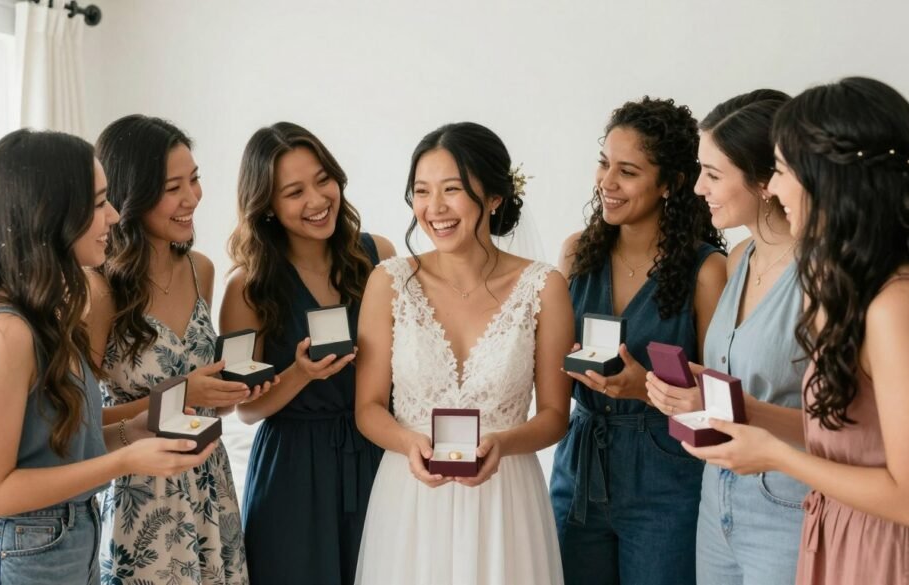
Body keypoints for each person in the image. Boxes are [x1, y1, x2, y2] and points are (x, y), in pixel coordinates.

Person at [685, 77, 909, 585]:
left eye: (784, 170)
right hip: (843, 534)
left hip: (890, 554)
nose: (776, 187)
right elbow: (849, 436)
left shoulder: (899, 305)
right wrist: (740, 412)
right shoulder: (865, 288)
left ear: (829, 179)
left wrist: (772, 457)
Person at [0, 129, 213, 585]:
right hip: (13, 559)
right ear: (52, 214)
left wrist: (134, 430)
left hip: (60, 549)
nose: (112, 216)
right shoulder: (4, 331)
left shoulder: (43, 317)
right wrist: (125, 461)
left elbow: (54, 451)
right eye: (100, 202)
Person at [354, 122, 573, 585]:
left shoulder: (544, 286)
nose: (435, 208)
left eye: (452, 189)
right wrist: (409, 444)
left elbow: (555, 415)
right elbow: (368, 408)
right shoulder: (388, 282)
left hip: (505, 498)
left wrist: (503, 444)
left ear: (494, 196)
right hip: (410, 496)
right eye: (422, 191)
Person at [549, 97, 727, 585]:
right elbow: (549, 373)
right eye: (605, 163)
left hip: (666, 479)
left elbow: (721, 406)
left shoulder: (707, 270)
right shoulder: (575, 254)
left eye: (627, 171)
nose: (607, 182)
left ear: (669, 183)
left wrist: (644, 387)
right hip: (579, 467)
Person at [88, 115, 260, 584]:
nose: (192, 198)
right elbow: (81, 420)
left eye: (195, 179)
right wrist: (181, 392)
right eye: (172, 187)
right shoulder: (99, 289)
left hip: (210, 483)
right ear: (131, 196)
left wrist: (224, 392)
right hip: (141, 492)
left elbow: (201, 401)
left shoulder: (200, 269)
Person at [220, 122, 395, 585]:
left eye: (323, 180)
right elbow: (246, 408)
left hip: (375, 452)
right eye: (294, 192)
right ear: (269, 207)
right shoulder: (248, 287)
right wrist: (299, 374)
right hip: (293, 468)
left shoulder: (378, 255)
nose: (317, 201)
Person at [645, 89, 808, 585]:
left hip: (790, 505)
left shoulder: (822, 276)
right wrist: (691, 391)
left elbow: (852, 429)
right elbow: (735, 386)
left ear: (765, 181)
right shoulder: (737, 259)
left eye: (713, 175)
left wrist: (731, 406)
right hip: (716, 499)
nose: (697, 188)